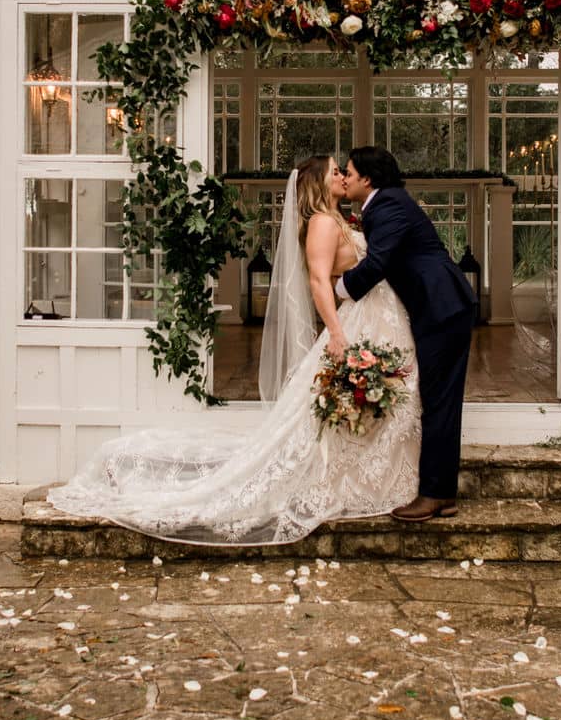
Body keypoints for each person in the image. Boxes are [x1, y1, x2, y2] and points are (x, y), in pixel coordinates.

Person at [48, 157, 420, 545]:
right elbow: (318, 281)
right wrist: (337, 334)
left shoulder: (339, 219)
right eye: (334, 171)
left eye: (343, 171)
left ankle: (370, 475)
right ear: (316, 183)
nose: (342, 176)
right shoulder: (323, 224)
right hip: (353, 323)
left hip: (376, 319)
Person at [337, 146, 477, 522]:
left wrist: (340, 289)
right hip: (439, 307)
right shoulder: (384, 205)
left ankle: (434, 494)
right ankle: (441, 493)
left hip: (443, 308)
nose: (344, 178)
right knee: (437, 399)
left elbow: (379, 262)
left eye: (348, 172)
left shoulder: (389, 205)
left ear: (367, 178)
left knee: (439, 401)